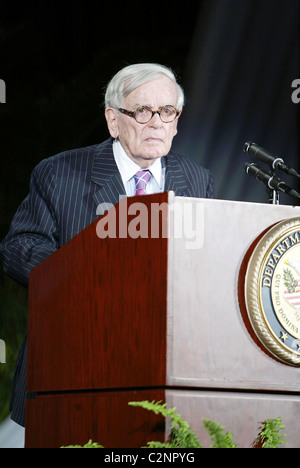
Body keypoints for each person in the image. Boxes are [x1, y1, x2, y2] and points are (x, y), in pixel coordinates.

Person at [0, 63, 214, 427]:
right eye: (143, 111)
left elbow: (207, 264)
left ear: (177, 122)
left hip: (166, 368)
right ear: (113, 120)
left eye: (167, 112)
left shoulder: (197, 179)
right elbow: (19, 246)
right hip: (74, 362)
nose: (156, 123)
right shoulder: (60, 172)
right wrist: (86, 276)